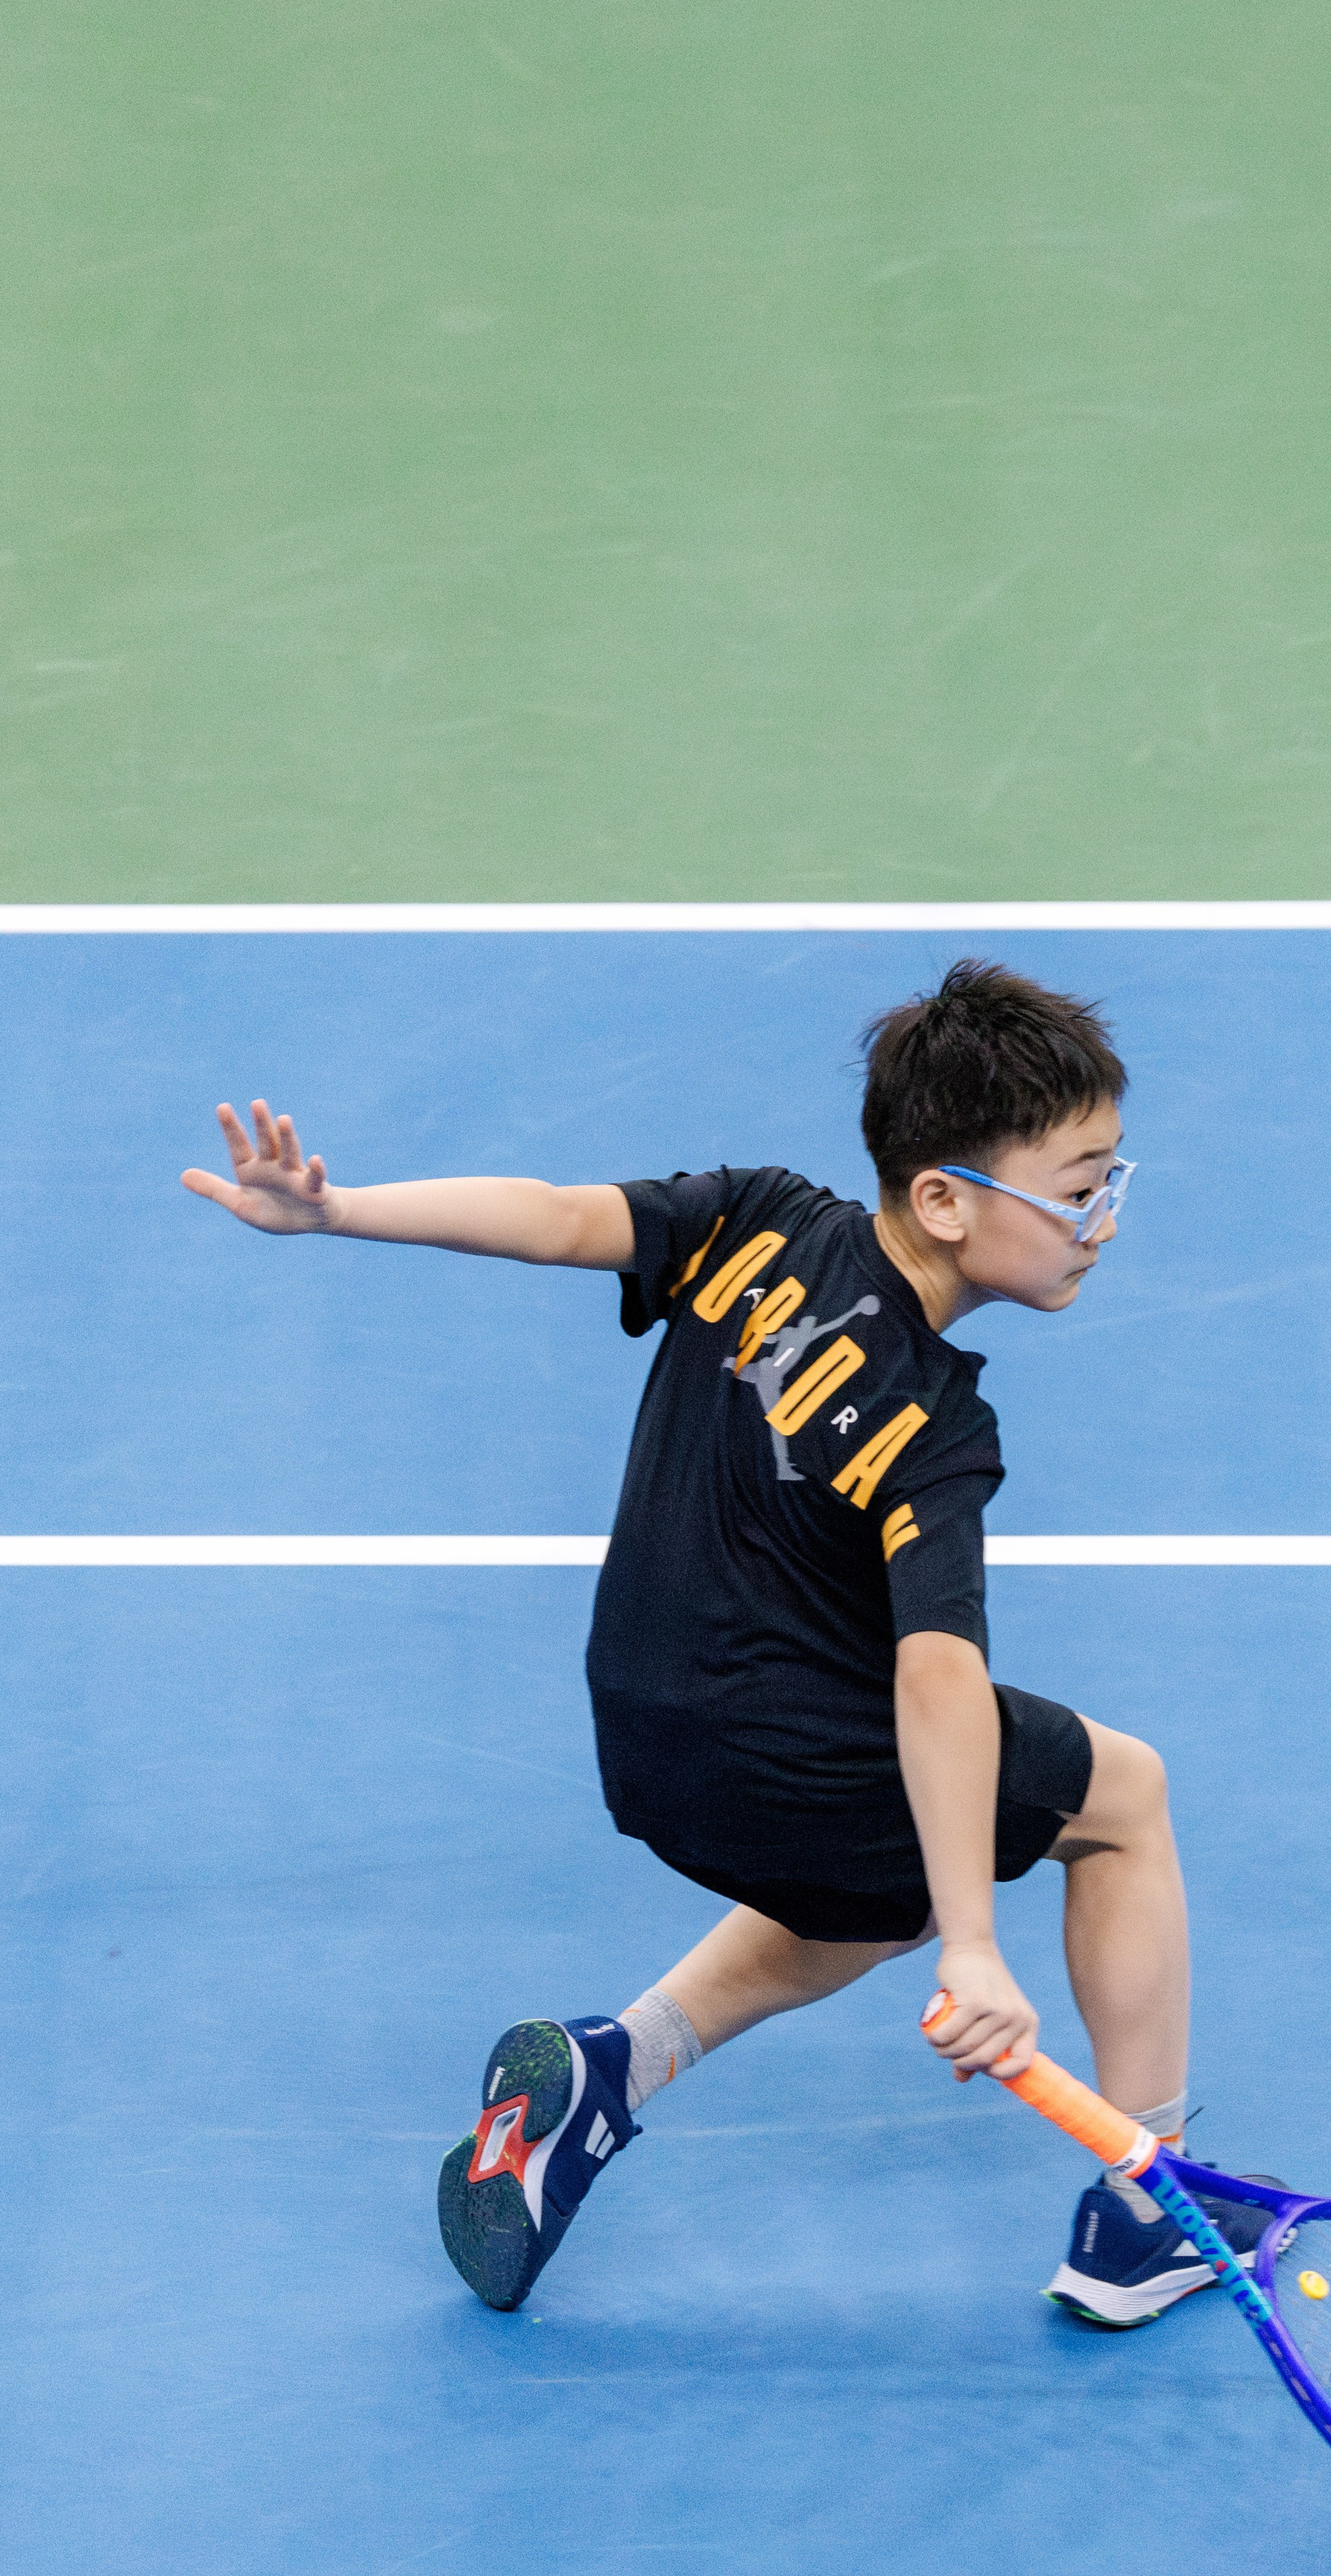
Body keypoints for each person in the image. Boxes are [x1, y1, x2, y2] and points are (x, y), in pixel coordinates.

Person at [181, 960, 1269, 2328]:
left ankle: (614, 2068)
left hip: (641, 1730)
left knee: (889, 1876)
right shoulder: (934, 1427)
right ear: (945, 1197)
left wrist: (338, 1210)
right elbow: (939, 1681)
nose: (1102, 1218)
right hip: (777, 1756)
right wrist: (980, 1948)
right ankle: (1147, 2204)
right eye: (1077, 1184)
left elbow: (562, 1217)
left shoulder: (760, 1220)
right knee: (1120, 1801)